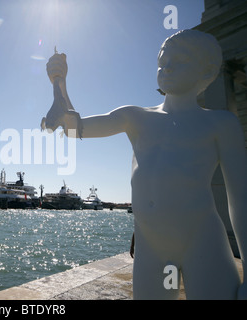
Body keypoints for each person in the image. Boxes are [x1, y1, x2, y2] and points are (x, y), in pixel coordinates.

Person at [43, 29, 247, 299]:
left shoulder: (221, 124)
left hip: (203, 243)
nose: (167, 67)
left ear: (207, 72)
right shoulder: (135, 117)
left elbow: (241, 200)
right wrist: (59, 84)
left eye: (180, 60)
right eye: (163, 61)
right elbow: (73, 128)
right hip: (152, 249)